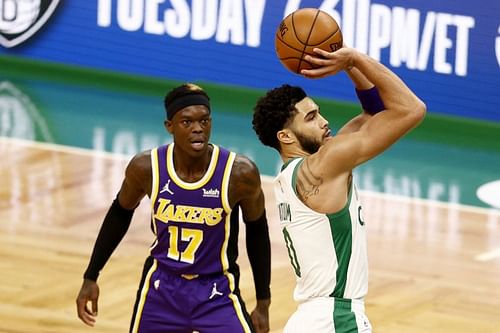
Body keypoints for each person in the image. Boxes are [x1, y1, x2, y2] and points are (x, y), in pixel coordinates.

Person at [252, 47, 426, 332]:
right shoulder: (323, 166)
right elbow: (411, 109)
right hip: (336, 319)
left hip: (309, 319)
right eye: (310, 118)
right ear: (285, 136)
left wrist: (346, 65)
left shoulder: (298, 171)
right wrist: (355, 59)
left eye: (319, 113)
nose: (324, 122)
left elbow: (375, 112)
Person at [76, 83, 272, 333]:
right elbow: (119, 214)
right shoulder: (146, 168)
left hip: (217, 289)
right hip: (162, 288)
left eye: (204, 120)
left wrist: (263, 302)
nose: (198, 129)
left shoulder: (239, 173)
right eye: (187, 122)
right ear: (169, 126)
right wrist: (91, 275)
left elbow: (257, 232)